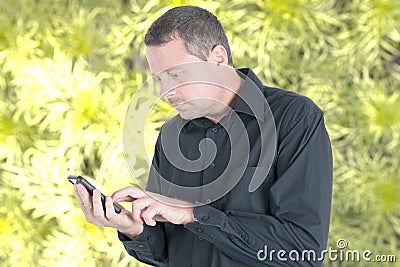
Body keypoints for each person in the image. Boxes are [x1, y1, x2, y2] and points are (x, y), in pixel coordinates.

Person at [74, 5, 333, 267]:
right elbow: (167, 252)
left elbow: (303, 252)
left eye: (175, 75)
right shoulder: (170, 136)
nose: (165, 92)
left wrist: (192, 214)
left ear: (218, 59)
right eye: (159, 80)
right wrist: (133, 228)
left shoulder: (294, 118)